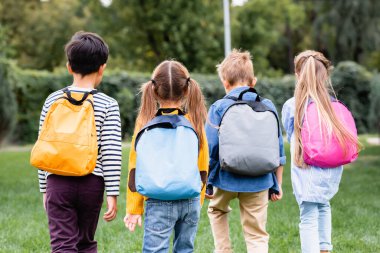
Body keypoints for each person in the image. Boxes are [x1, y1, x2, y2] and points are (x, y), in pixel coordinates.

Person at [36, 31, 121, 252]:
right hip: (92, 184)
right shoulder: (108, 104)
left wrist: (45, 189)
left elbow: (43, 147)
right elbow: (111, 152)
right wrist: (112, 192)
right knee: (85, 242)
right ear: (102, 67)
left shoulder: (52, 100)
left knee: (62, 244)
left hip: (57, 182)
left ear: (69, 67)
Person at [124, 60, 209, 253]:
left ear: (153, 90)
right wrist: (199, 198)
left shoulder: (145, 120)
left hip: (157, 200)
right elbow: (203, 165)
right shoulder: (195, 120)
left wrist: (134, 208)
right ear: (187, 90)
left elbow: (135, 169)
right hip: (190, 199)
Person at [205, 49, 286, 253]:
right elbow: (278, 149)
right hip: (259, 180)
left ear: (225, 82)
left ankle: (223, 250)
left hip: (225, 178)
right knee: (257, 233)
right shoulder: (268, 106)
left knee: (216, 210)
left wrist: (207, 183)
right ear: (254, 81)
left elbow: (211, 148)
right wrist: (277, 184)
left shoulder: (218, 107)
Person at [282, 50, 360, 253]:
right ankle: (325, 249)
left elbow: (291, 132)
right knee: (324, 206)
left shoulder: (293, 105)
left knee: (307, 216)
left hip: (307, 169)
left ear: (298, 74)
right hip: (331, 170)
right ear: (325, 75)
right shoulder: (333, 105)